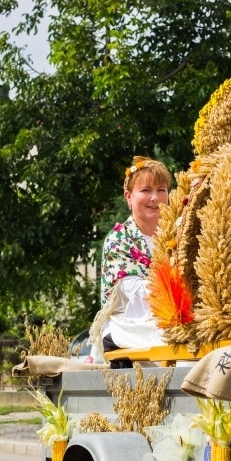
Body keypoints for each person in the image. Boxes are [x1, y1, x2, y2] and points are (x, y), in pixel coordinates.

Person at [88, 156, 171, 368]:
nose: (155, 197)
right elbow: (135, 293)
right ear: (128, 197)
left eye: (161, 190)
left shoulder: (179, 234)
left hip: (171, 321)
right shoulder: (119, 240)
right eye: (146, 190)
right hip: (129, 327)